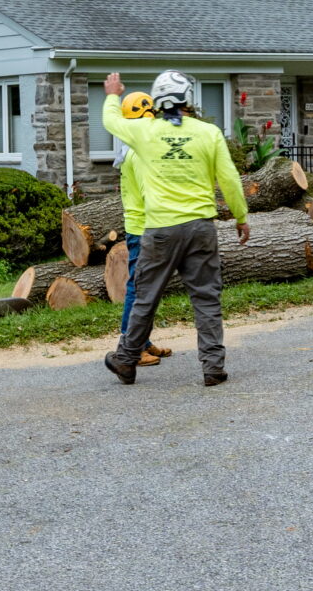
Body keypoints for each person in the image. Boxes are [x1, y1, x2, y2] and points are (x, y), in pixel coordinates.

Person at [101, 69, 251, 386]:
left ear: (157, 100)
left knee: (145, 297)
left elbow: (111, 123)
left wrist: (113, 94)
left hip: (160, 230)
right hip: (200, 228)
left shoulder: (146, 130)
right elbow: (230, 179)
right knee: (206, 299)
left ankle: (126, 360)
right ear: (189, 99)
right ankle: (213, 367)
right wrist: (240, 216)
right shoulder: (208, 133)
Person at [112, 93, 170, 367]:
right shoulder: (139, 154)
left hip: (139, 226)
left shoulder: (130, 148)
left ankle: (142, 341)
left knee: (146, 288)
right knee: (138, 288)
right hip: (145, 228)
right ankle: (130, 346)